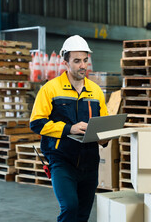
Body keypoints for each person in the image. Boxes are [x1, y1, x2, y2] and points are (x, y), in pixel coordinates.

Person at [30, 35, 108, 222]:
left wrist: (105, 138)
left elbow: (104, 123)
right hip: (62, 160)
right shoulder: (50, 89)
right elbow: (36, 123)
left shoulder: (95, 91)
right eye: (77, 61)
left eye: (85, 60)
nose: (83, 66)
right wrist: (68, 129)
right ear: (65, 62)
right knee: (70, 207)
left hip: (90, 161)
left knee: (83, 213)